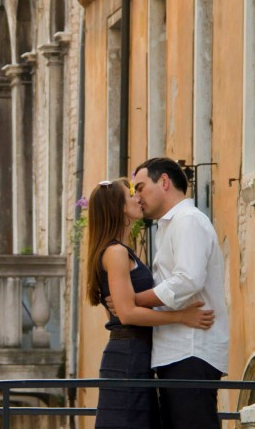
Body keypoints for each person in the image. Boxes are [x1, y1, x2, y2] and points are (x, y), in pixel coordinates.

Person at [86, 178, 215, 429]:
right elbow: (128, 314)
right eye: (131, 195)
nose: (138, 198)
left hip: (136, 353)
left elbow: (127, 306)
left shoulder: (122, 250)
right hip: (128, 355)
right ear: (120, 208)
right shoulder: (116, 253)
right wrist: (181, 316)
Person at [128, 157, 230, 429]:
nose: (137, 197)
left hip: (191, 349)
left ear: (163, 182)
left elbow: (188, 279)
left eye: (139, 188)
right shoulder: (172, 225)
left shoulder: (187, 221)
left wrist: (136, 301)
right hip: (180, 350)